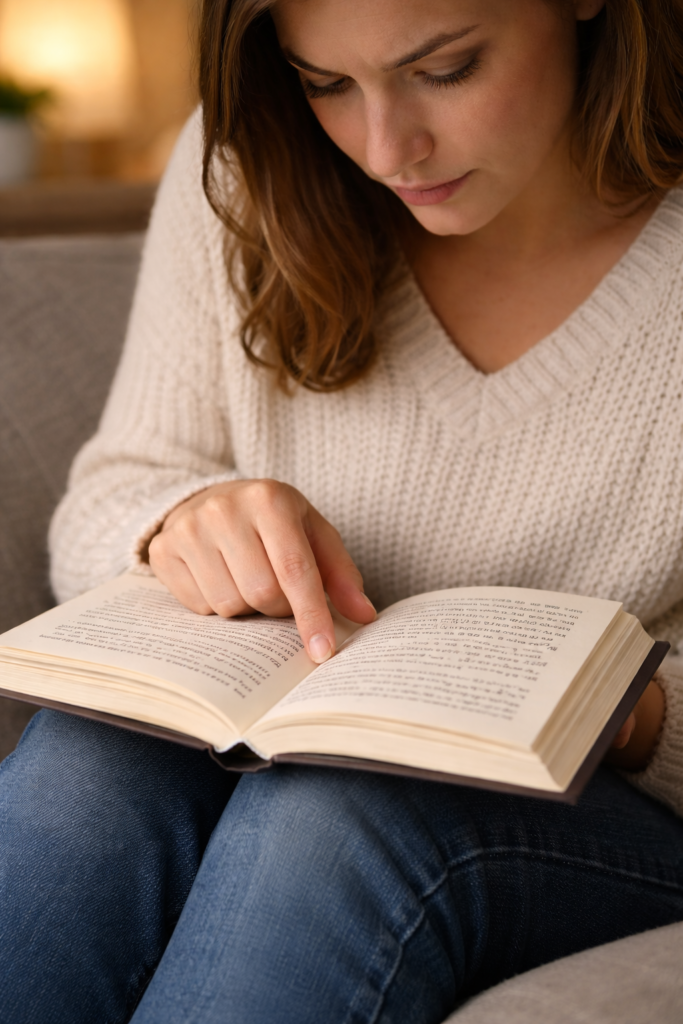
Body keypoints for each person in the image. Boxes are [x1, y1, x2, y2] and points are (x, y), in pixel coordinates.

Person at [3, 0, 683, 1021]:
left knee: (346, 809)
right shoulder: (248, 168)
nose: (384, 148)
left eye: (445, 68)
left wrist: (619, 707)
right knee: (94, 760)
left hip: (603, 809)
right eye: (326, 84)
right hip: (294, 736)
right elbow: (110, 493)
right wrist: (186, 522)